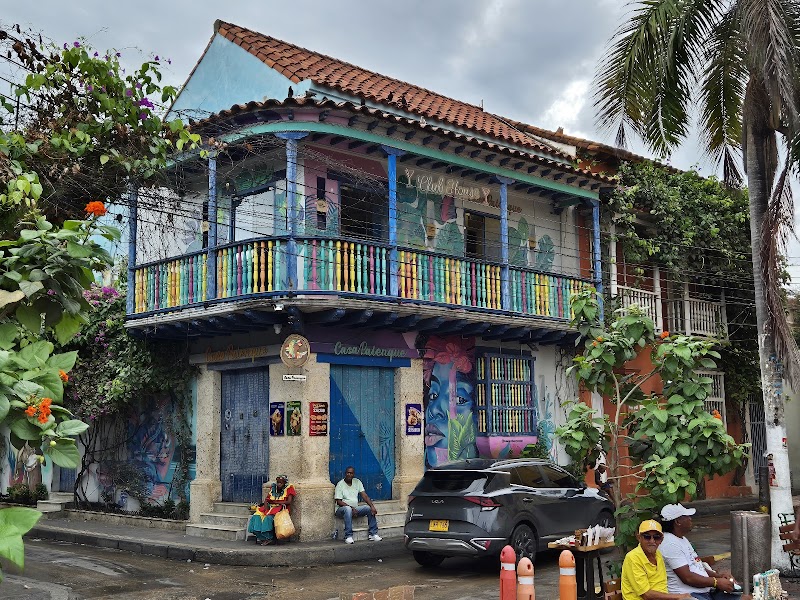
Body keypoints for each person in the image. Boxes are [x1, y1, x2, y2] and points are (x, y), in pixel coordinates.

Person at [659, 503, 741, 600]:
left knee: (745, 597)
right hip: (689, 595)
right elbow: (688, 578)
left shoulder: (681, 539)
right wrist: (716, 582)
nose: (690, 519)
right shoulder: (670, 543)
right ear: (678, 521)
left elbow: (696, 566)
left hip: (705, 591)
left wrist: (719, 576)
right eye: (687, 516)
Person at [621, 519, 694, 600]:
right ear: (639, 538)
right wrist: (679, 596)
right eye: (647, 537)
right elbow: (646, 594)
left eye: (656, 537)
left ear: (661, 540)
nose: (652, 541)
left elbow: (662, 585)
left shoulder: (658, 554)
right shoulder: (633, 558)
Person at [334, 466, 381, 544]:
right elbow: (338, 501)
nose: (349, 474)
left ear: (353, 474)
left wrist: (372, 506)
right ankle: (348, 536)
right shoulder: (340, 484)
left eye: (351, 473)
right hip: (341, 510)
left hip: (354, 509)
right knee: (347, 509)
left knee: (368, 508)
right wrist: (351, 508)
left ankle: (373, 534)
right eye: (348, 473)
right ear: (345, 473)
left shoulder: (357, 482)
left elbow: (364, 496)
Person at [247, 474, 295, 546]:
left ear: (284, 483)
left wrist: (276, 502)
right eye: (278, 482)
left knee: (268, 518)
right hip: (269, 508)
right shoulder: (273, 488)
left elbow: (288, 502)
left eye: (281, 483)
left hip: (281, 509)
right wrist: (266, 509)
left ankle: (269, 538)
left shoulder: (289, 488)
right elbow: (267, 500)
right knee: (256, 516)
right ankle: (262, 537)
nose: (279, 484)